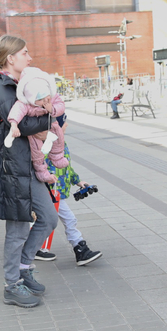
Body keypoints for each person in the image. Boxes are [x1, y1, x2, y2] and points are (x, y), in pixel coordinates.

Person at [0, 35, 58, 308]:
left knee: (49, 218)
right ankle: (12, 284)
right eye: (25, 53)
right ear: (10, 58)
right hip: (9, 165)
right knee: (18, 228)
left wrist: (48, 116)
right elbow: (15, 122)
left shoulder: (18, 84)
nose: (29, 58)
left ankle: (23, 266)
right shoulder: (1, 86)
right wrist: (51, 117)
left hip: (25, 164)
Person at [36, 114, 103, 266]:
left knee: (45, 221)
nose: (67, 125)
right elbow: (39, 164)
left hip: (56, 190)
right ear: (56, 126)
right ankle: (80, 249)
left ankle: (35, 249)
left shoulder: (61, 143)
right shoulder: (46, 144)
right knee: (69, 219)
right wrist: (47, 179)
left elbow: (66, 167)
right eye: (64, 123)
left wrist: (78, 181)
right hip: (50, 189)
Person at [5, 67, 68, 184]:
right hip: (35, 131)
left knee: (58, 136)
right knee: (36, 150)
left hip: (51, 124)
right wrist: (14, 124)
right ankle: (41, 171)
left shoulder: (52, 98)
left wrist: (52, 109)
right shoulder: (25, 104)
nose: (45, 101)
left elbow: (61, 106)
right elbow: (16, 111)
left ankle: (57, 156)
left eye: (47, 97)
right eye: (40, 99)